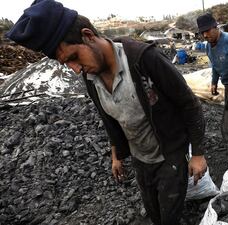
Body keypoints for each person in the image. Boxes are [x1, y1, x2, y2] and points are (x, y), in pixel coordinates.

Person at [6, 1, 207, 225]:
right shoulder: (91, 77)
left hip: (169, 155)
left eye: (73, 57)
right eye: (66, 64)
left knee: (170, 215)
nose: (75, 69)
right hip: (140, 158)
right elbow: (109, 118)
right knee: (153, 211)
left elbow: (189, 104)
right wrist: (116, 155)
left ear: (88, 35)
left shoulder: (144, 59)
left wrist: (198, 153)